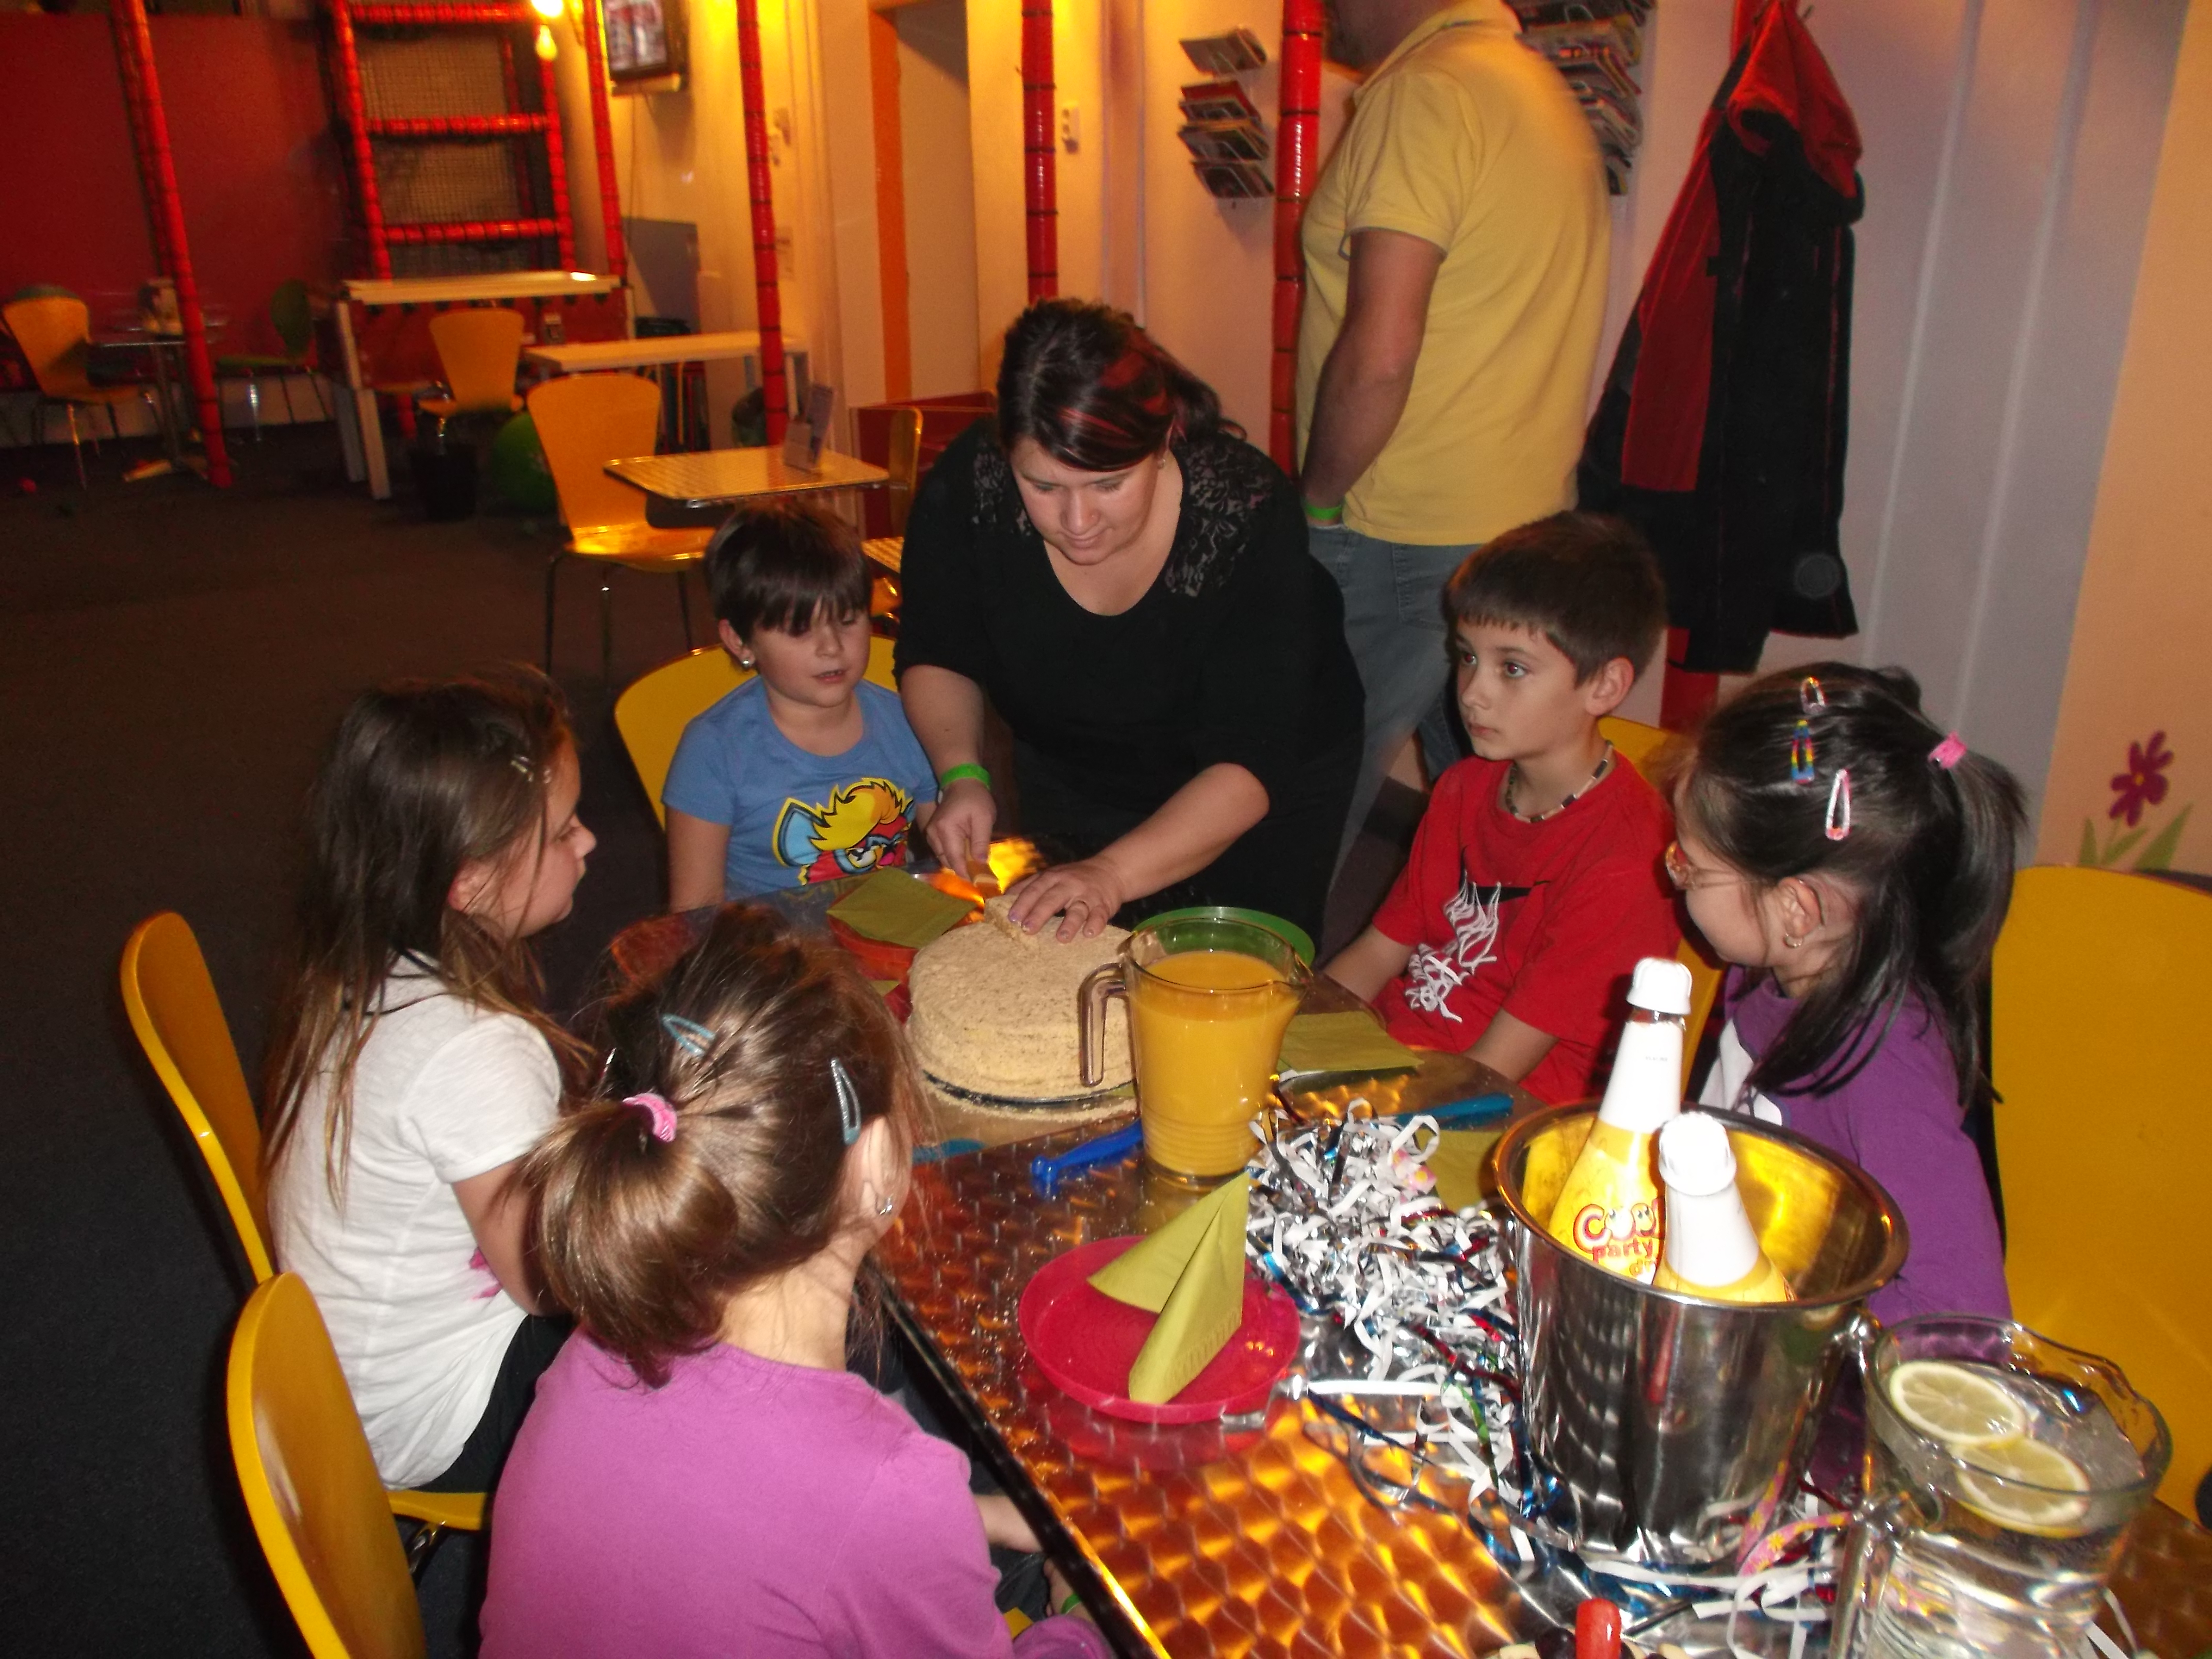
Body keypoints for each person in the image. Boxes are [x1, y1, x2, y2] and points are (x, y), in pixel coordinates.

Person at [480, 905, 1110, 1659]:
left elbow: (760, 1526)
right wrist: (1079, 1618)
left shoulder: (602, 1347)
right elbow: (833, 1520)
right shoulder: (887, 1488)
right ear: (874, 1160)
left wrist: (977, 1515)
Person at [897, 298, 1362, 948]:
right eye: (1044, 487)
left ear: (1164, 438)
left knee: (1226, 972)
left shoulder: (1246, 513)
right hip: (1072, 760)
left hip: (1246, 788)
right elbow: (936, 646)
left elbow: (1249, 760)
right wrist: (961, 774)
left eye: (1108, 484)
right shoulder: (972, 484)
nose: (1077, 522)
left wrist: (1112, 872)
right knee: (1073, 954)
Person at [263, 668, 592, 1492]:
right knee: (699, 1329)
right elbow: (548, 1281)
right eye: (562, 833)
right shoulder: (477, 1049)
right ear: (471, 884)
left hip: (347, 1386)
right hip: (432, 1421)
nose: (588, 843)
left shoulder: (365, 965)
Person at [1297, 0, 1612, 855]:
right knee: (1494, 803)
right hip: (1521, 521)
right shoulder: (1536, 90)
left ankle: (1255, 952)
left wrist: (1316, 502)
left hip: (1400, 526)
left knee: (1307, 788)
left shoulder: (1426, 93)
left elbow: (1380, 352)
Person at [1667, 664, 2021, 1323]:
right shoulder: (1770, 972)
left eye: (1691, 866)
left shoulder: (1888, 1068)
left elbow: (1964, 1316)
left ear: (1797, 909)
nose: (1675, 876)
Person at [1324, 514, 1677, 1102]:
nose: (1472, 693)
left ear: (1605, 686)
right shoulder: (1465, 786)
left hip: (1499, 1108)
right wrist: (1295, 1030)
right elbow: (1383, 947)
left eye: (1512, 668)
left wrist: (1350, 1104)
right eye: (1467, 657)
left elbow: (1490, 1072)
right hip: (1398, 1056)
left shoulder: (1625, 861)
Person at [664, 503, 937, 906]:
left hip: (890, 926)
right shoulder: (714, 750)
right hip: (770, 942)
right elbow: (696, 908)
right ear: (741, 642)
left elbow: (956, 851)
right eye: (799, 629)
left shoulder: (910, 720)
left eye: (848, 620)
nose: (831, 647)